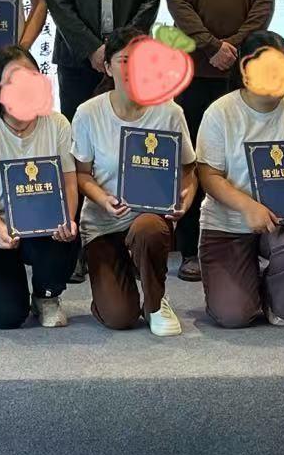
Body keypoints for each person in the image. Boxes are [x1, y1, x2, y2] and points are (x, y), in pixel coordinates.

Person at [163, 0, 277, 281]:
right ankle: (190, 248)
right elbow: (177, 3)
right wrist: (211, 46)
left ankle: (250, 239)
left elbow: (264, 3)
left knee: (243, 155)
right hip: (194, 69)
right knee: (194, 159)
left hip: (244, 70)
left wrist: (237, 46)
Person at [193, 30, 284, 328]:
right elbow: (209, 176)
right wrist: (247, 206)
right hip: (228, 226)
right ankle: (245, 282)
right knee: (234, 316)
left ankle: (274, 292)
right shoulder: (220, 113)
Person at [70, 28, 196, 335]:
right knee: (119, 317)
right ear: (107, 66)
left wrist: (184, 202)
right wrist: (103, 199)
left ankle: (155, 302)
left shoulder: (169, 112)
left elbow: (189, 171)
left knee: (148, 229)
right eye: (125, 60)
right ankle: (117, 279)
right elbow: (81, 174)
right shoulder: (88, 113)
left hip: (149, 218)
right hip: (103, 222)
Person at [0, 47, 81, 328]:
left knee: (69, 236)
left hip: (43, 225)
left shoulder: (57, 124)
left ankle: (46, 296)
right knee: (7, 316)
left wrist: (67, 218)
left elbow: (69, 181)